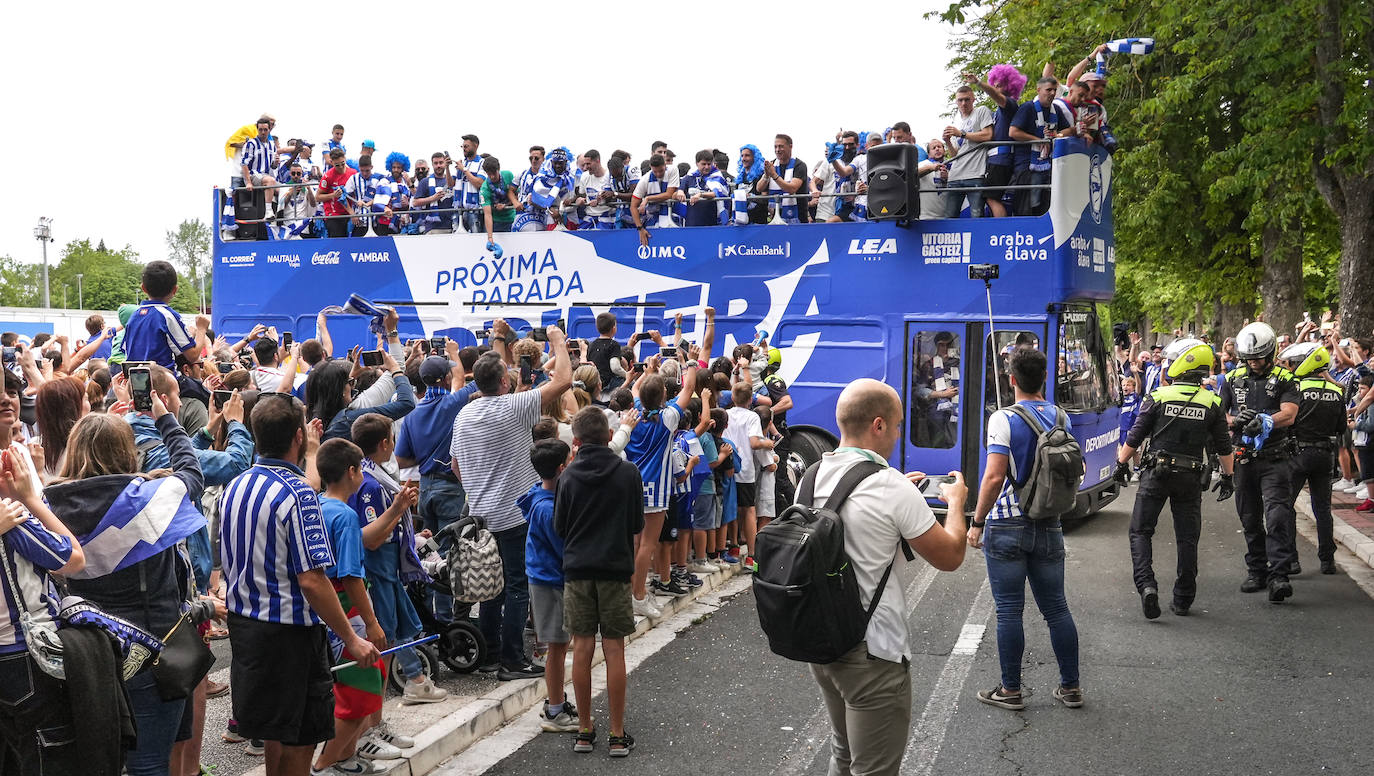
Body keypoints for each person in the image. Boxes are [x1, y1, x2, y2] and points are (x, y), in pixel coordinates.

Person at [807, 378, 968, 776]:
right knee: (875, 769)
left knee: (843, 754)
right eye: (897, 425)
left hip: (822, 643)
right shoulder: (891, 487)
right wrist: (957, 503)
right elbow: (950, 556)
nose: (898, 434)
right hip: (872, 652)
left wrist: (902, 497)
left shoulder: (810, 476)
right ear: (878, 425)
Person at [44, 396, 207, 776]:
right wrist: (166, 418)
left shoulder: (48, 506)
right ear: (127, 451)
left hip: (86, 649)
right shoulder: (149, 498)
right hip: (153, 646)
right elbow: (192, 473)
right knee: (149, 762)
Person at [219, 394, 381, 776]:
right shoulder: (299, 494)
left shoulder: (235, 485)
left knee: (276, 731)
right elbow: (312, 578)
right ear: (297, 436)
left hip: (247, 628)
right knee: (301, 738)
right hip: (289, 634)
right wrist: (353, 638)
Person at [452, 320, 571, 679]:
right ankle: (512, 660)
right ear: (504, 381)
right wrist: (558, 342)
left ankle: (488, 656)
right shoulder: (514, 407)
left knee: (492, 586)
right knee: (517, 586)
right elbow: (564, 381)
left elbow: (456, 465)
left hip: (480, 513)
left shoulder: (465, 413)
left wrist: (478, 487)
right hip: (515, 512)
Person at [967, 347, 1083, 711]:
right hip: (1049, 521)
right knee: (1057, 610)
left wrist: (977, 521)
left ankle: (1011, 690)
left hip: (1006, 524)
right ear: (1045, 378)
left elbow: (994, 475)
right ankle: (1070, 687)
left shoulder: (1003, 419)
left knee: (1008, 611)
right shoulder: (1061, 417)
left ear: (1011, 379)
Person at [0, 370, 86, 776]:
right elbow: (72, 558)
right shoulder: (12, 484)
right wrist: (32, 501)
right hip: (20, 651)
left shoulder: (18, 455)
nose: (6, 399)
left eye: (9, 389)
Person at [1114, 339, 1235, 618]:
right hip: (1190, 477)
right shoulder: (1213, 402)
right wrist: (1228, 477)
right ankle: (1183, 599)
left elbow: (1135, 436)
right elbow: (1223, 447)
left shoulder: (1158, 397)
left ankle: (1147, 586)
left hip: (1156, 474)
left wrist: (1121, 464)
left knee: (1141, 531)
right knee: (1187, 538)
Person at [555, 407, 645, 758]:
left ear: (575, 441)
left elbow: (560, 527)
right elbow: (637, 524)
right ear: (610, 435)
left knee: (582, 647)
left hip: (577, 569)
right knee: (614, 648)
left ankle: (584, 729)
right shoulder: (627, 472)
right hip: (615, 568)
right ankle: (617, 733)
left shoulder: (568, 476)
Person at [347, 413, 445, 715]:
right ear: (384, 443)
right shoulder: (370, 484)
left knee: (395, 626)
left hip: (387, 563)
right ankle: (374, 714)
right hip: (379, 565)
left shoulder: (372, 473)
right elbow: (373, 536)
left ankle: (413, 680)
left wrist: (409, 532)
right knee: (384, 634)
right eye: (391, 439)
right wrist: (399, 510)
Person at [394, 350, 479, 622]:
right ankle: (444, 617)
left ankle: (426, 616)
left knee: (426, 551)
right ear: (444, 379)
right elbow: (481, 383)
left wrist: (424, 455)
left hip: (425, 488)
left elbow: (401, 456)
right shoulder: (452, 403)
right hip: (449, 488)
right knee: (446, 555)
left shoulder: (412, 414)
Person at [1220, 322, 1301, 601]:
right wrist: (1235, 420)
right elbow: (1220, 417)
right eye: (1249, 358)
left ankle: (1279, 575)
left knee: (1277, 515)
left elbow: (1289, 414)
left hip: (1275, 457)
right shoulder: (1232, 379)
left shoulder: (1286, 379)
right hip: (1243, 458)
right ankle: (1257, 570)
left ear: (1271, 353)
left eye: (1258, 357)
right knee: (1250, 517)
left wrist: (1267, 420)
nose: (1253, 362)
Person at [520, 437, 581, 733]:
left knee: (560, 643)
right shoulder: (547, 509)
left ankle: (557, 701)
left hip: (549, 579)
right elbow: (563, 547)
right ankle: (555, 710)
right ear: (561, 467)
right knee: (556, 646)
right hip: (550, 580)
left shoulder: (541, 495)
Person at [1280, 341, 1347, 575]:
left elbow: (1287, 422)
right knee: (1322, 508)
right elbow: (1341, 427)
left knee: (1286, 506)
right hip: (1325, 455)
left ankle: (1291, 560)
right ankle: (1327, 560)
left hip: (1298, 452)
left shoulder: (1296, 388)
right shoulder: (1337, 391)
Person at [1008, 77, 1072, 216]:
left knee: (1043, 205)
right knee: (1026, 207)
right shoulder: (1028, 107)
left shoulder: (1056, 110)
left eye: (1054, 90)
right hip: (1026, 165)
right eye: (1048, 90)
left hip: (1048, 166)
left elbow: (1069, 130)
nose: (1052, 93)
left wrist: (1057, 135)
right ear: (1039, 90)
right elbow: (1013, 132)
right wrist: (1037, 140)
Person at [123, 260, 201, 371]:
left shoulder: (133, 317)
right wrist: (201, 329)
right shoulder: (168, 316)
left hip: (135, 381)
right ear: (175, 290)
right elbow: (193, 356)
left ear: (143, 288)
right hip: (163, 382)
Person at [942, 85, 995, 218]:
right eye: (960, 100)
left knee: (977, 216)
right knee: (949, 217)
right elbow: (954, 154)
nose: (963, 103)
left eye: (967, 99)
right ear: (956, 102)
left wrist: (962, 134)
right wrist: (947, 141)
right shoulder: (957, 122)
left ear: (973, 99)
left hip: (975, 174)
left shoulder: (981, 111)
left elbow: (988, 135)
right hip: (955, 175)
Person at [755, 135, 808, 224]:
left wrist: (774, 175)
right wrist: (767, 175)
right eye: (775, 147)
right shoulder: (772, 164)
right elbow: (759, 188)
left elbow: (792, 189)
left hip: (798, 218)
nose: (777, 150)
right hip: (774, 219)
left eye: (781, 146)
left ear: (790, 146)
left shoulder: (799, 165)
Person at [629, 153, 680, 244]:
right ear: (650, 167)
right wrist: (640, 229)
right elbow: (633, 206)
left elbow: (669, 194)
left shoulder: (673, 169)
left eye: (661, 171)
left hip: (673, 214)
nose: (658, 174)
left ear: (665, 165)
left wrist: (647, 198)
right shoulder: (644, 180)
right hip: (652, 220)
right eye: (655, 171)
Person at [317, 149, 357, 238]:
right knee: (337, 244)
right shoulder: (328, 176)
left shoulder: (353, 173)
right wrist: (333, 195)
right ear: (331, 162)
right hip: (334, 216)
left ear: (345, 159)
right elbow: (318, 197)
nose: (341, 167)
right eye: (337, 165)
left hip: (350, 214)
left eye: (342, 163)